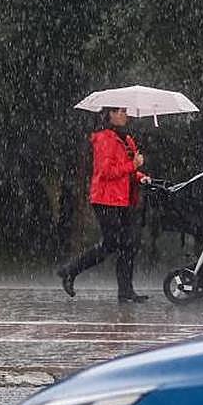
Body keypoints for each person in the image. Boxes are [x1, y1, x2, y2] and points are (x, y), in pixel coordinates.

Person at [58, 107, 151, 302]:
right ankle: (69, 270)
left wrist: (140, 176)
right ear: (109, 115)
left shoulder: (127, 140)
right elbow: (105, 172)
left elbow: (128, 173)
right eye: (120, 111)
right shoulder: (104, 139)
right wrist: (133, 166)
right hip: (105, 199)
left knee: (128, 245)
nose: (124, 114)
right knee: (112, 244)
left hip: (123, 199)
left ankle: (125, 290)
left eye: (125, 111)